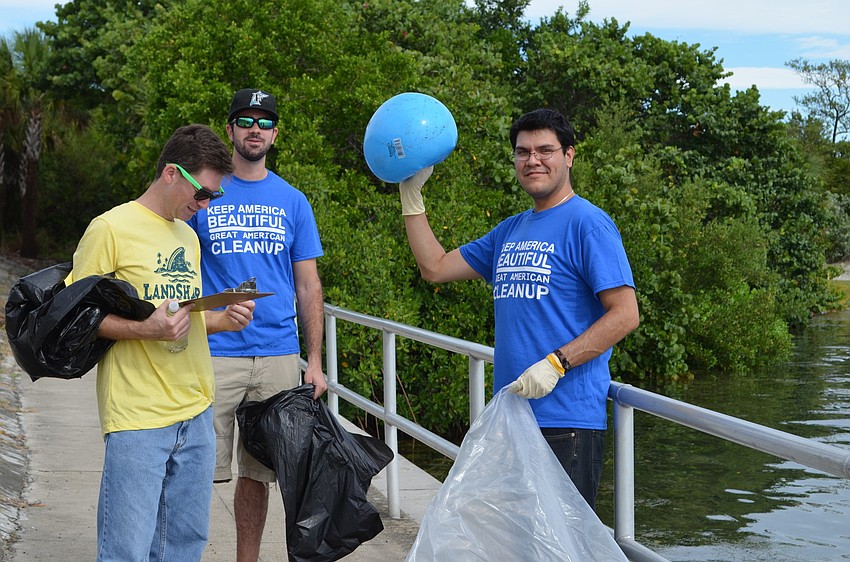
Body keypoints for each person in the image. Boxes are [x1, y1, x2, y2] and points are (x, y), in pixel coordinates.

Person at [397, 108, 639, 510]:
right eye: (522, 152)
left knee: (561, 550)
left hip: (566, 422)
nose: (533, 160)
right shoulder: (509, 230)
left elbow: (625, 313)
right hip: (512, 420)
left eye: (545, 150)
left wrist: (557, 362)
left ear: (569, 156)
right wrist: (411, 198)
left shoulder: (589, 224)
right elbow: (435, 267)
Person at [67, 124, 256, 561]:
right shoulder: (109, 228)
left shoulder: (188, 236)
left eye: (214, 197)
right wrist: (144, 330)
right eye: (203, 194)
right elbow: (74, 319)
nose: (205, 205)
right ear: (172, 173)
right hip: (137, 417)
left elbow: (179, 319)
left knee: (185, 545)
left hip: (196, 409)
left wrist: (222, 320)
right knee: (126, 550)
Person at [187, 88, 327, 561]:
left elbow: (308, 286)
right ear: (229, 129)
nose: (255, 129)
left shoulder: (293, 200)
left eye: (264, 122)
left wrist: (314, 362)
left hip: (276, 356)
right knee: (193, 465)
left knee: (258, 473)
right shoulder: (205, 192)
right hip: (213, 354)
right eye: (245, 120)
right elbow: (178, 268)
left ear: (274, 134)